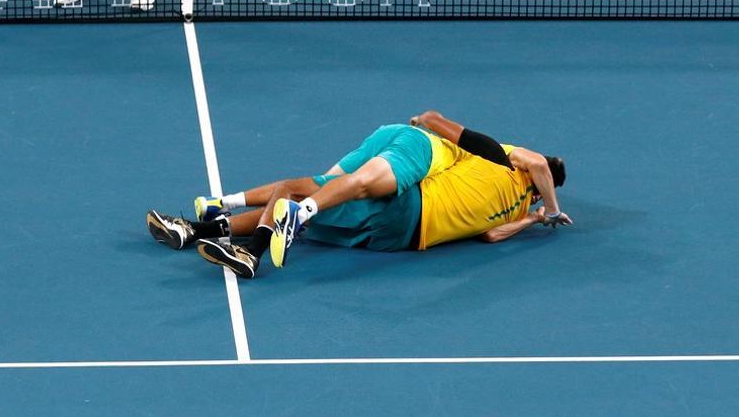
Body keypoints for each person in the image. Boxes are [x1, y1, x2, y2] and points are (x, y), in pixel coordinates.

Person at [146, 111, 571, 278]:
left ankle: (251, 249)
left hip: (407, 204)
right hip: (400, 243)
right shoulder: (510, 213)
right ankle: (198, 229)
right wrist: (536, 219)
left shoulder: (501, 156)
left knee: (295, 192)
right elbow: (491, 238)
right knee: (312, 224)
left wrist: (551, 207)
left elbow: (533, 162)